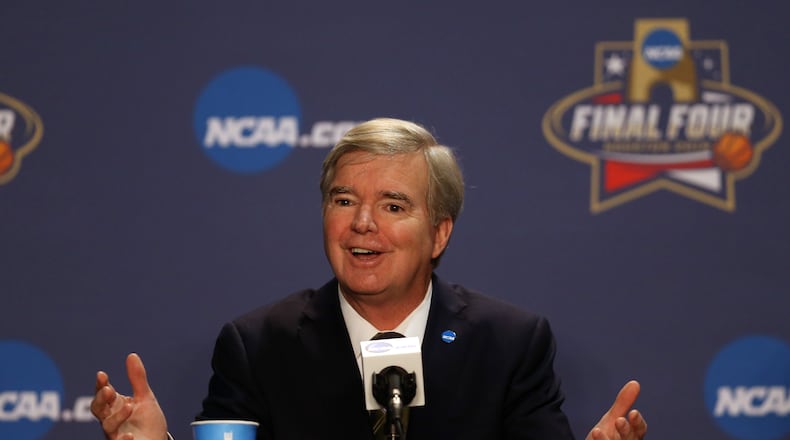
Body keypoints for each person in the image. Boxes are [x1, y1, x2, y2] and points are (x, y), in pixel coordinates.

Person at [91, 118, 648, 440]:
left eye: (393, 205)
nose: (362, 223)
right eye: (344, 200)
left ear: (439, 233)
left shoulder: (510, 343)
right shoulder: (258, 344)